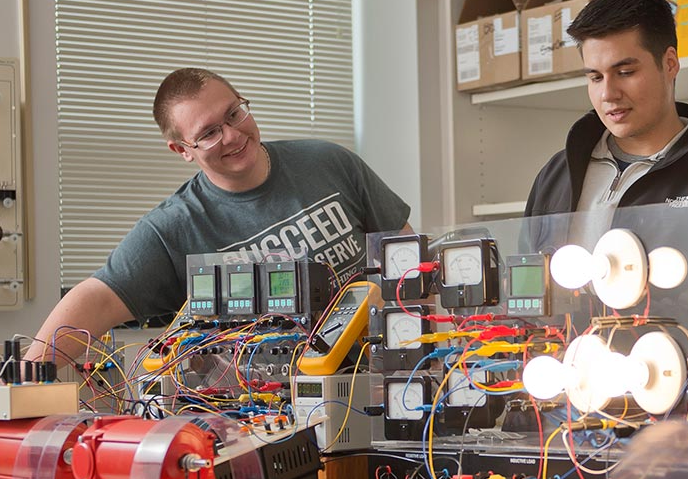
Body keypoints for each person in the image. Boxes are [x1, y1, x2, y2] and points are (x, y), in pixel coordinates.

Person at [27, 68, 411, 362]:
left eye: (234, 113)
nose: (231, 135)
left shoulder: (328, 162)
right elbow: (98, 300)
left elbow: (406, 253)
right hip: (268, 408)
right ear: (182, 150)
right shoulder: (174, 228)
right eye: (209, 132)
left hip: (379, 371)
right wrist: (27, 382)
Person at [523, 0, 688, 391]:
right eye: (595, 77)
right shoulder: (557, 175)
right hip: (564, 402)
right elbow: (528, 303)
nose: (608, 93)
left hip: (667, 405)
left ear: (669, 63)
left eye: (625, 72)